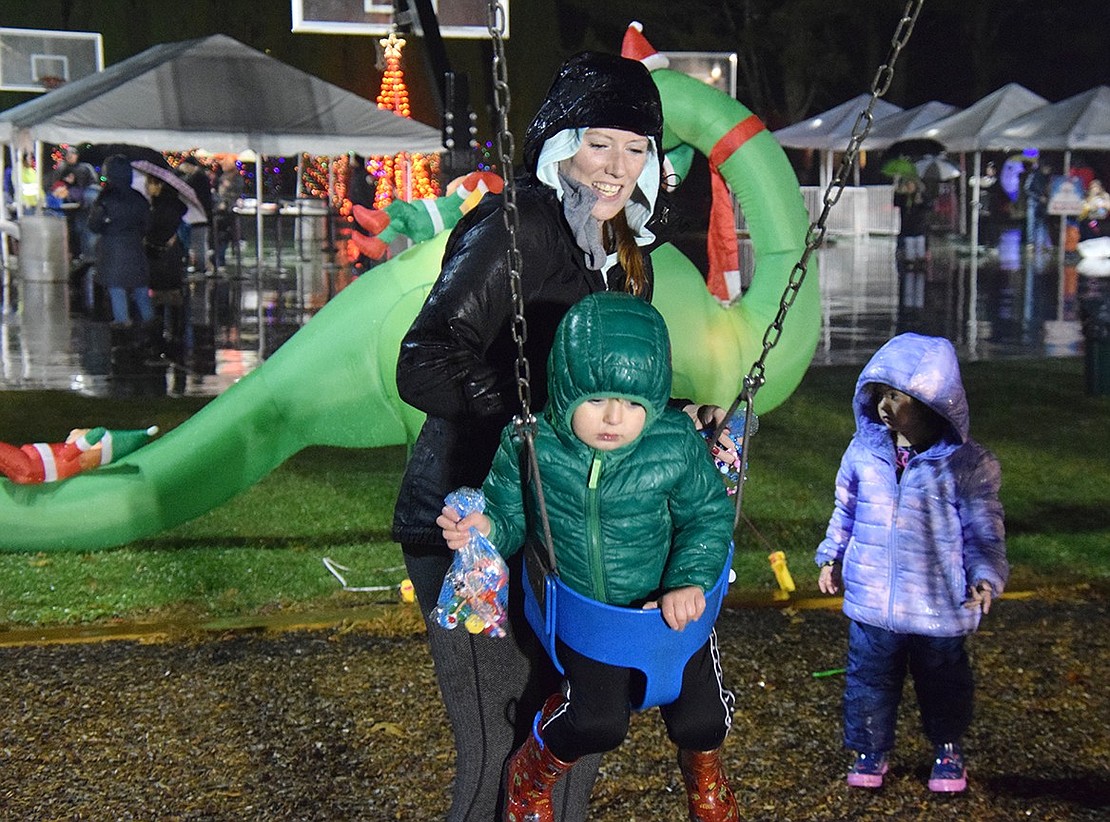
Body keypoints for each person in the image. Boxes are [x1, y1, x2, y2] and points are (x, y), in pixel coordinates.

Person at [392, 51, 732, 821]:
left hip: (562, 521)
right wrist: (530, 419)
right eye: (600, 142)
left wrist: (668, 411)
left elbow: (576, 378)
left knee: (574, 737)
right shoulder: (526, 226)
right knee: (500, 748)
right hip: (476, 523)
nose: (616, 166)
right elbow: (427, 360)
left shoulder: (603, 245)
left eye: (636, 148)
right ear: (560, 144)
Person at [437, 292, 738, 822]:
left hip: (673, 609)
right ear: (565, 390)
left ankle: (706, 779)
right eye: (595, 400)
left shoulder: (674, 445)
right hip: (589, 616)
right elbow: (510, 517)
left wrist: (689, 580)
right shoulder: (532, 444)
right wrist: (481, 528)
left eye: (633, 403)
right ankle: (530, 774)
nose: (614, 417)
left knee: (703, 722)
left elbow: (708, 517)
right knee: (598, 724)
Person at [814, 332, 1008, 794]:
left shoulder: (964, 465)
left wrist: (984, 576)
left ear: (931, 401)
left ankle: (946, 747)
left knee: (942, 680)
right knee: (869, 680)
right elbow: (847, 507)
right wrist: (832, 555)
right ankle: (869, 749)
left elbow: (983, 528)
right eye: (880, 394)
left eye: (896, 396)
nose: (884, 406)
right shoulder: (865, 452)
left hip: (939, 604)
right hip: (874, 600)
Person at [88, 154, 153, 327]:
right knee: (140, 286)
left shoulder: (105, 198)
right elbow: (147, 224)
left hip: (112, 247)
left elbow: (93, 224)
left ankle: (122, 320)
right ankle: (148, 319)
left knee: (116, 286)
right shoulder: (139, 198)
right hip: (135, 247)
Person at [0, 425, 158, 485]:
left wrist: (91, 438)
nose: (75, 431)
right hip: (29, 465)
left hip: (30, 467)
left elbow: (71, 453)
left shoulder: (78, 456)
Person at [142, 174, 188, 371]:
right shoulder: (175, 207)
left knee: (160, 301)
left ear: (159, 185)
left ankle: (160, 344)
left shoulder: (161, 208)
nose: (147, 187)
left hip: (160, 260)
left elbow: (152, 233)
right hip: (173, 259)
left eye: (149, 184)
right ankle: (176, 340)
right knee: (174, 300)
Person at [177, 155, 214, 274]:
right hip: (200, 215)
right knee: (199, 243)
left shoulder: (197, 178)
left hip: (199, 215)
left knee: (199, 243)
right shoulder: (200, 177)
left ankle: (201, 267)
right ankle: (200, 266)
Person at [894, 177, 929, 263]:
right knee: (909, 255)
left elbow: (927, 207)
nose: (910, 187)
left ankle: (919, 266)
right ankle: (910, 266)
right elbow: (896, 203)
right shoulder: (903, 197)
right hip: (907, 230)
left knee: (920, 254)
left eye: (911, 185)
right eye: (908, 185)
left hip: (919, 229)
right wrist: (898, 191)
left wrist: (921, 201)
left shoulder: (919, 196)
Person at [1022, 160, 1052, 251]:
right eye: (1047, 168)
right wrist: (1039, 197)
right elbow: (1027, 189)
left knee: (1042, 223)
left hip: (1043, 204)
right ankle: (1030, 243)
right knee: (1031, 223)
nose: (1048, 170)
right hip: (1033, 203)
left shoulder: (1047, 178)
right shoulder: (1034, 175)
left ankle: (1043, 243)